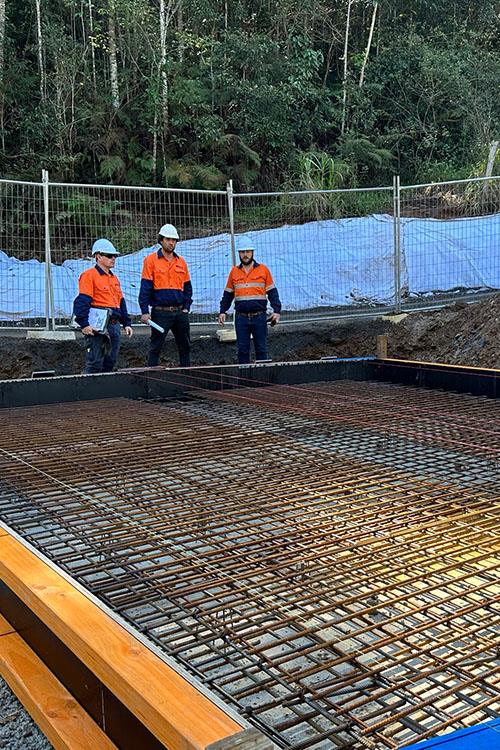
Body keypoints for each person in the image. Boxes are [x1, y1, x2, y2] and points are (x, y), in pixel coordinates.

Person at [73, 238, 133, 374]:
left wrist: (126, 323)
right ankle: (90, 393)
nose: (113, 258)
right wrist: (84, 324)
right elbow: (82, 301)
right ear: (98, 256)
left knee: (110, 361)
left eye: (115, 256)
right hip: (97, 327)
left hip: (114, 325)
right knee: (95, 362)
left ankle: (103, 392)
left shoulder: (114, 278)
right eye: (109, 256)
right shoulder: (89, 276)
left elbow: (120, 303)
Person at [218, 236, 281, 364]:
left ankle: (263, 381)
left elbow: (272, 292)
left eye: (247, 251)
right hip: (241, 318)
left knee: (262, 349)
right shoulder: (234, 272)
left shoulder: (263, 270)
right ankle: (244, 380)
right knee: (242, 350)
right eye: (242, 252)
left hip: (259, 317)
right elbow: (228, 294)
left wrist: (277, 310)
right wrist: (222, 311)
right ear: (239, 254)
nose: (245, 255)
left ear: (252, 252)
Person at [139, 223, 192, 367]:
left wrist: (186, 307)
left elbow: (187, 287)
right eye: (168, 239)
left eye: (174, 240)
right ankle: (152, 379)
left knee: (185, 347)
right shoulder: (150, 261)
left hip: (180, 312)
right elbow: (145, 287)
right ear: (161, 240)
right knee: (155, 346)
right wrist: (144, 310)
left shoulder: (181, 262)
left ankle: (186, 375)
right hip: (160, 313)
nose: (171, 242)